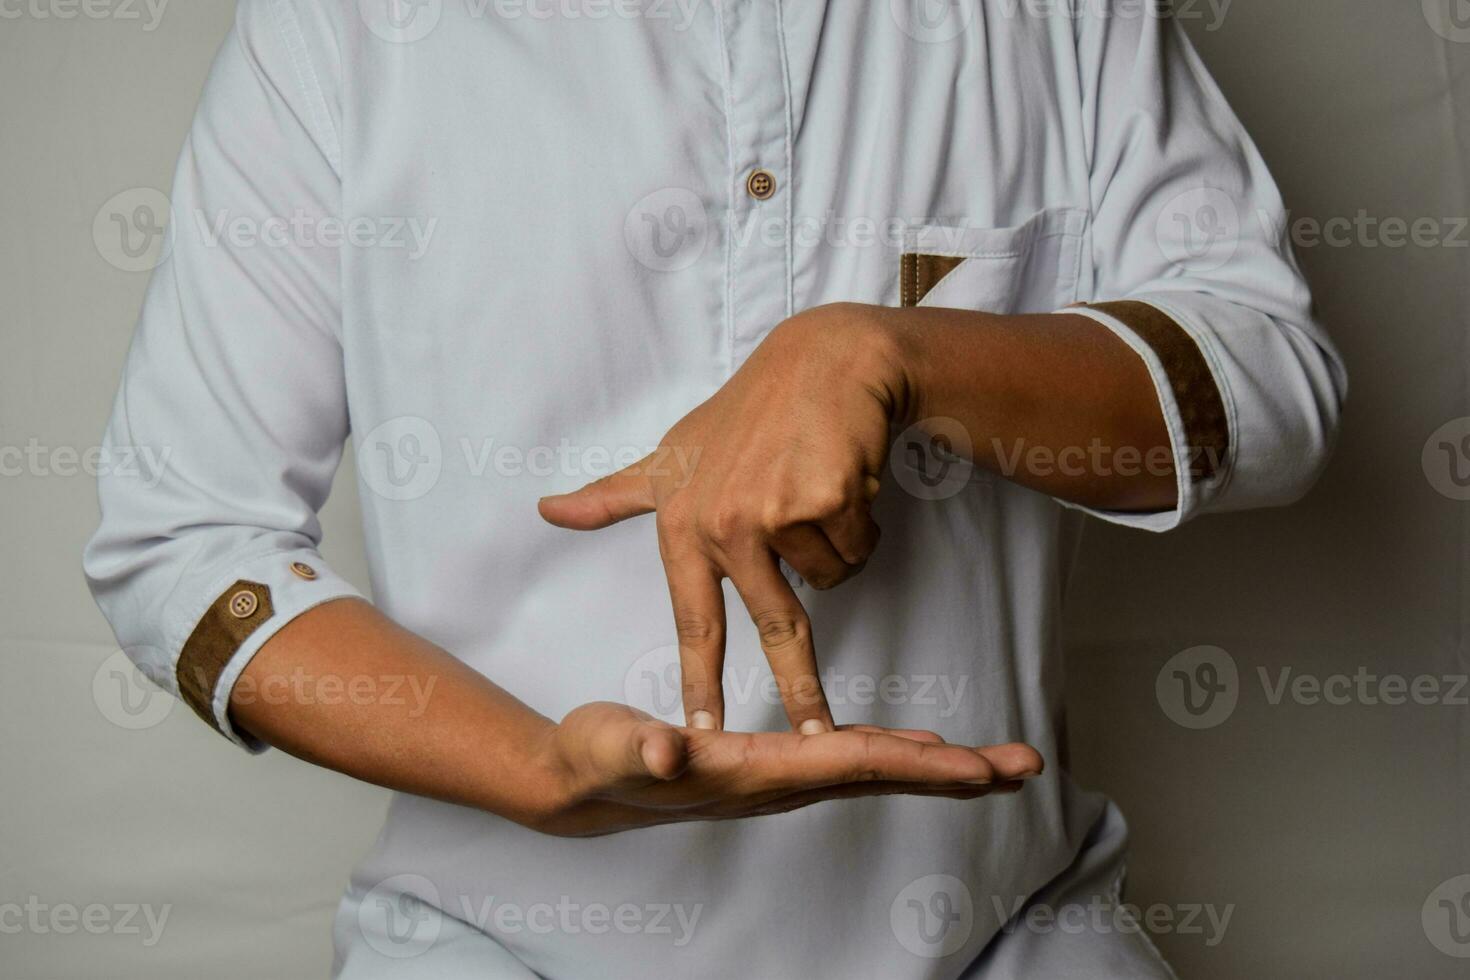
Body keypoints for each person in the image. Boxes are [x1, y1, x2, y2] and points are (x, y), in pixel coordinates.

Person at [84, 1, 1345, 976]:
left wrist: (893, 355)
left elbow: (1278, 379)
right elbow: (186, 536)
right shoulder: (347, 24)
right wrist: (539, 771)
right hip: (491, 942)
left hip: (1002, 936)